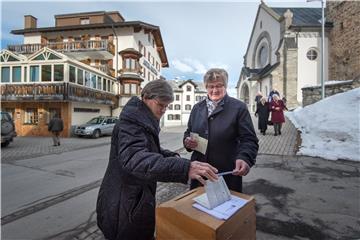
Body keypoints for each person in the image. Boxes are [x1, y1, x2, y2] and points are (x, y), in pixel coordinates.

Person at [96, 79, 218, 240]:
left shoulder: (141, 119)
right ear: (146, 97)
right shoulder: (132, 123)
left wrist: (170, 156)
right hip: (123, 204)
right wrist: (184, 168)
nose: (164, 110)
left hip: (132, 200)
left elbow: (148, 149)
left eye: (166, 106)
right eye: (161, 105)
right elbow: (135, 158)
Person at [183, 68, 258, 193]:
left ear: (226, 86)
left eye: (219, 86)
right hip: (200, 173)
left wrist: (244, 158)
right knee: (197, 210)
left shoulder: (238, 108)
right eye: (210, 86)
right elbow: (188, 131)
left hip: (226, 173)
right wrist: (187, 141)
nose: (215, 90)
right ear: (206, 87)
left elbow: (249, 140)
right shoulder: (197, 108)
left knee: (226, 211)